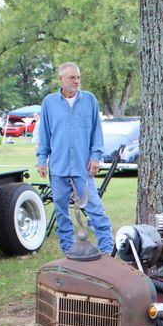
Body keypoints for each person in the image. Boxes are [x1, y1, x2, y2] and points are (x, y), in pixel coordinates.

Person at [36, 62, 113, 254]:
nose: (76, 81)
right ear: (61, 79)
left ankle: (106, 250)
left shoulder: (89, 100)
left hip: (83, 166)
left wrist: (95, 156)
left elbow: (96, 132)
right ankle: (68, 251)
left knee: (95, 208)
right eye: (72, 78)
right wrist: (42, 159)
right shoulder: (49, 103)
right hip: (58, 167)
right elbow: (44, 134)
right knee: (61, 211)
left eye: (78, 77)